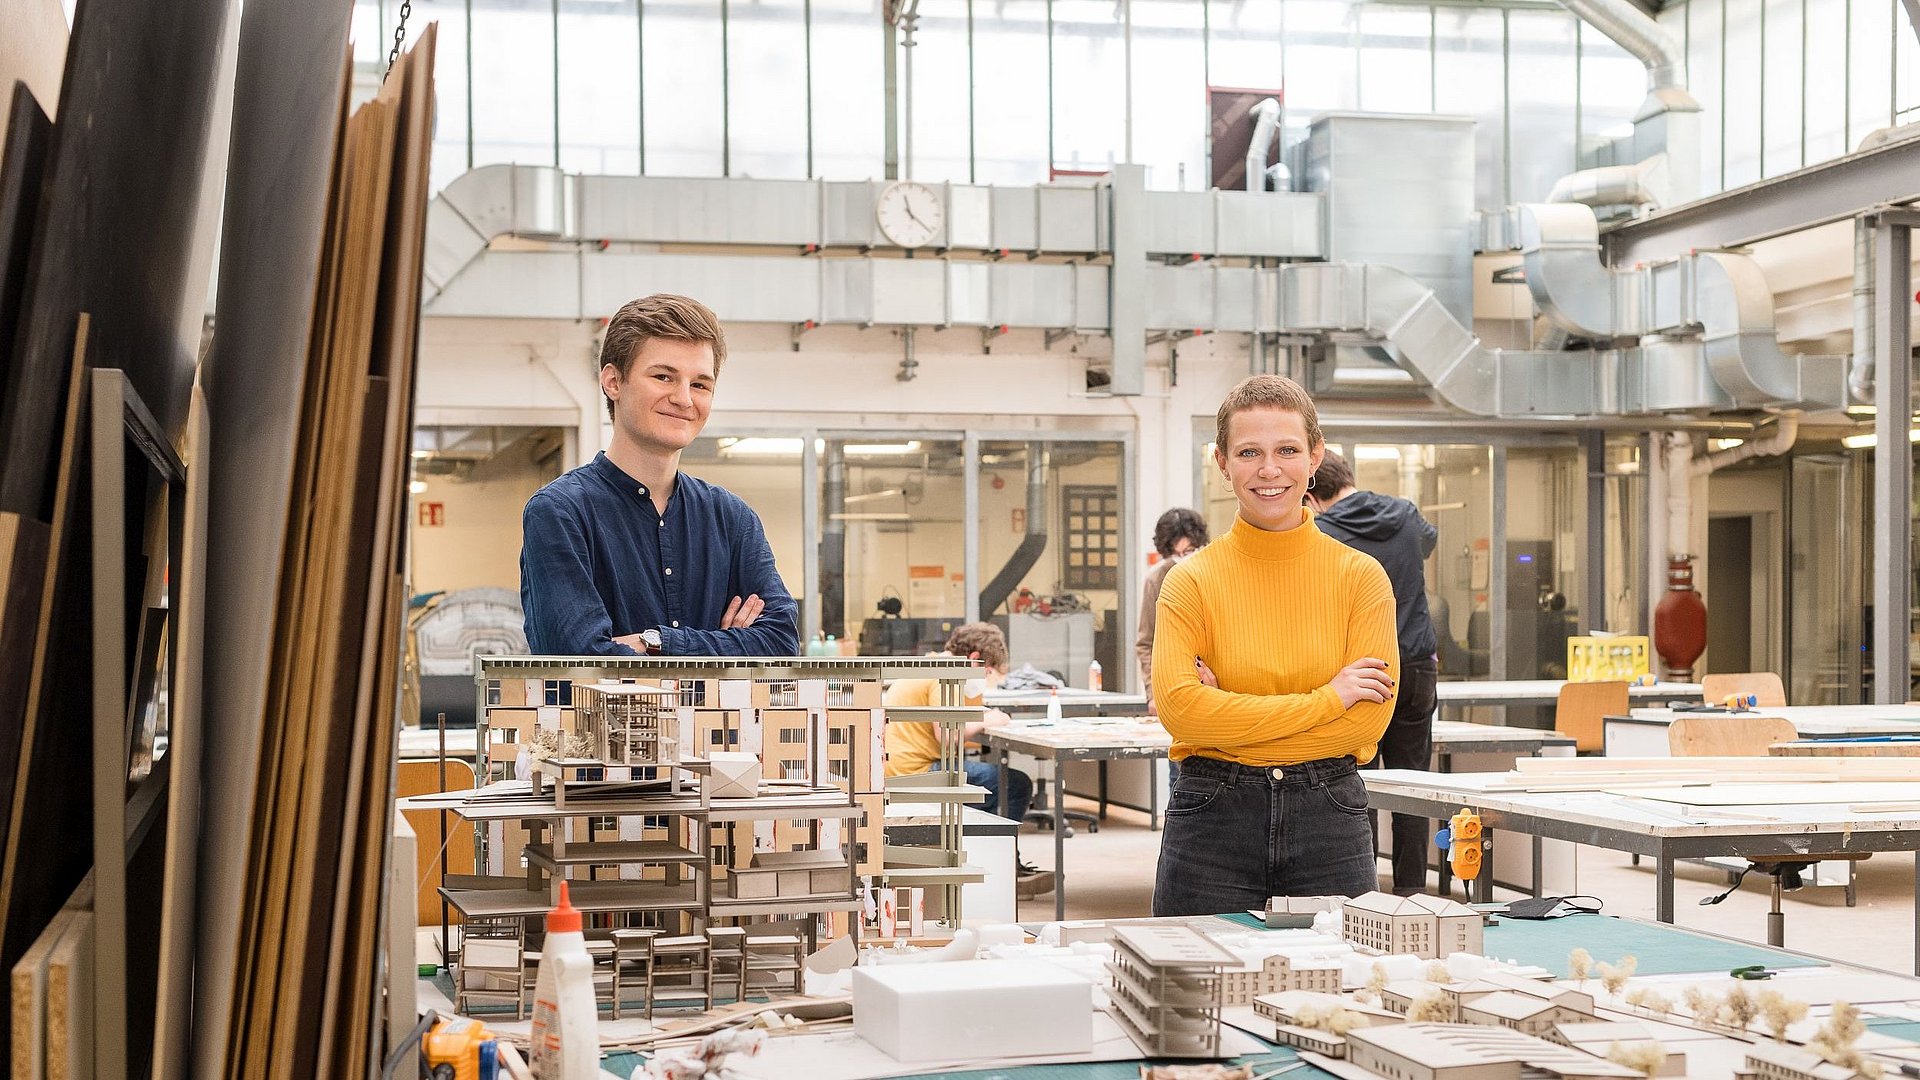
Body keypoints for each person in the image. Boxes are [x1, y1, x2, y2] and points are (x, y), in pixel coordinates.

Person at [1151, 374, 1399, 916]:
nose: (1269, 470)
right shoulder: (1191, 581)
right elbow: (1184, 715)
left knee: (1340, 992)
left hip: (1328, 816)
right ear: (1222, 462)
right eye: (1249, 452)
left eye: (1287, 449)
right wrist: (1328, 698)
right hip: (1212, 817)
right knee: (1194, 990)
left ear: (1315, 456)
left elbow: (1366, 726)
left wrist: (1231, 709)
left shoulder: (1361, 578)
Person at [520, 293, 799, 656]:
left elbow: (779, 642)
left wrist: (655, 642)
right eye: (664, 377)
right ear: (613, 382)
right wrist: (727, 648)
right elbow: (582, 661)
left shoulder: (731, 518)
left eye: (700, 384)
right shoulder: (560, 513)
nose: (684, 399)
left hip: (713, 718)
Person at [1308, 450, 1440, 896]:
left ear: (1312, 497)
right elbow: (1428, 542)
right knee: (1412, 783)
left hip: (1363, 670)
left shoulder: (1323, 531)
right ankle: (1410, 891)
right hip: (1417, 665)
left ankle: (1362, 891)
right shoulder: (1404, 513)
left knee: (1356, 779)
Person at [883, 622, 1053, 897]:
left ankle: (980, 856)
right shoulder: (945, 675)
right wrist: (989, 720)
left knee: (994, 782)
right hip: (915, 772)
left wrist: (979, 717)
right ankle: (1001, 866)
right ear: (974, 659)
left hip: (899, 766)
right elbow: (948, 736)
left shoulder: (931, 666)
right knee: (1015, 785)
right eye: (987, 673)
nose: (985, 681)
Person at [1136, 508, 1210, 710]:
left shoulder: (1217, 570)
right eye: (1176, 554)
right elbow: (1146, 643)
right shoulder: (1156, 579)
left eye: (1188, 551)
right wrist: (1153, 693)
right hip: (1176, 683)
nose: (1183, 559)